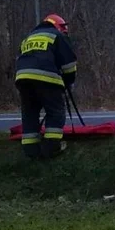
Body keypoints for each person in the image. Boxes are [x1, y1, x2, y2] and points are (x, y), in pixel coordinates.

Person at [14, 14, 77, 158]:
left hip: (23, 79)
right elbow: (69, 65)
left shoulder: (29, 37)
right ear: (59, 27)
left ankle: (31, 151)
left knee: (29, 113)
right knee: (55, 111)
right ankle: (52, 148)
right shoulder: (57, 35)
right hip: (46, 79)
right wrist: (68, 81)